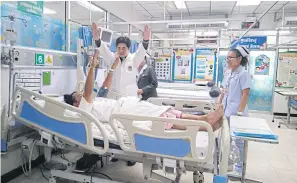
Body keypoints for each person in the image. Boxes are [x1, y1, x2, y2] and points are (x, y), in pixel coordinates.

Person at [64, 49, 224, 133]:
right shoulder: (83, 110)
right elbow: (87, 91)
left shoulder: (95, 100)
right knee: (162, 118)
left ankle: (204, 117)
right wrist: (92, 66)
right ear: (76, 103)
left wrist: (113, 67)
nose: (83, 96)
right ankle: (205, 126)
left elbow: (105, 86)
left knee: (165, 111)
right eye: (79, 96)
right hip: (123, 113)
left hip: (126, 105)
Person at [217, 46, 252, 175]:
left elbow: (245, 94)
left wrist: (240, 112)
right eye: (227, 57)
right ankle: (228, 163)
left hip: (237, 112)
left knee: (238, 141)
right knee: (226, 139)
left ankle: (239, 168)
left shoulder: (244, 74)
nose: (228, 60)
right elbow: (224, 90)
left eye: (230, 57)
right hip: (226, 112)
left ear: (239, 59)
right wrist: (219, 102)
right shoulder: (228, 72)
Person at [91, 22, 150, 96]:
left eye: (123, 48)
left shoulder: (134, 59)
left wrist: (146, 40)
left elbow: (141, 52)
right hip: (114, 96)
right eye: (119, 48)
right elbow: (103, 49)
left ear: (128, 48)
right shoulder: (112, 58)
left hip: (129, 97)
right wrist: (97, 38)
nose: (121, 51)